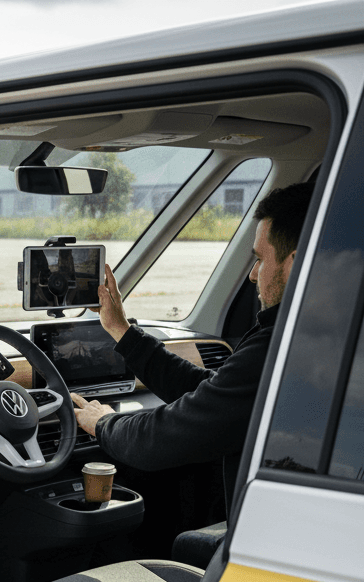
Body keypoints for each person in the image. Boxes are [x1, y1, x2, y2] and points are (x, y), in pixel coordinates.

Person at [71, 182, 314, 518]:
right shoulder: (326, 335)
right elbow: (213, 397)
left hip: (275, 538)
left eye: (259, 259)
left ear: (298, 264)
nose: (253, 274)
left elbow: (162, 439)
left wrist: (103, 423)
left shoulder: (283, 346)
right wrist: (122, 331)